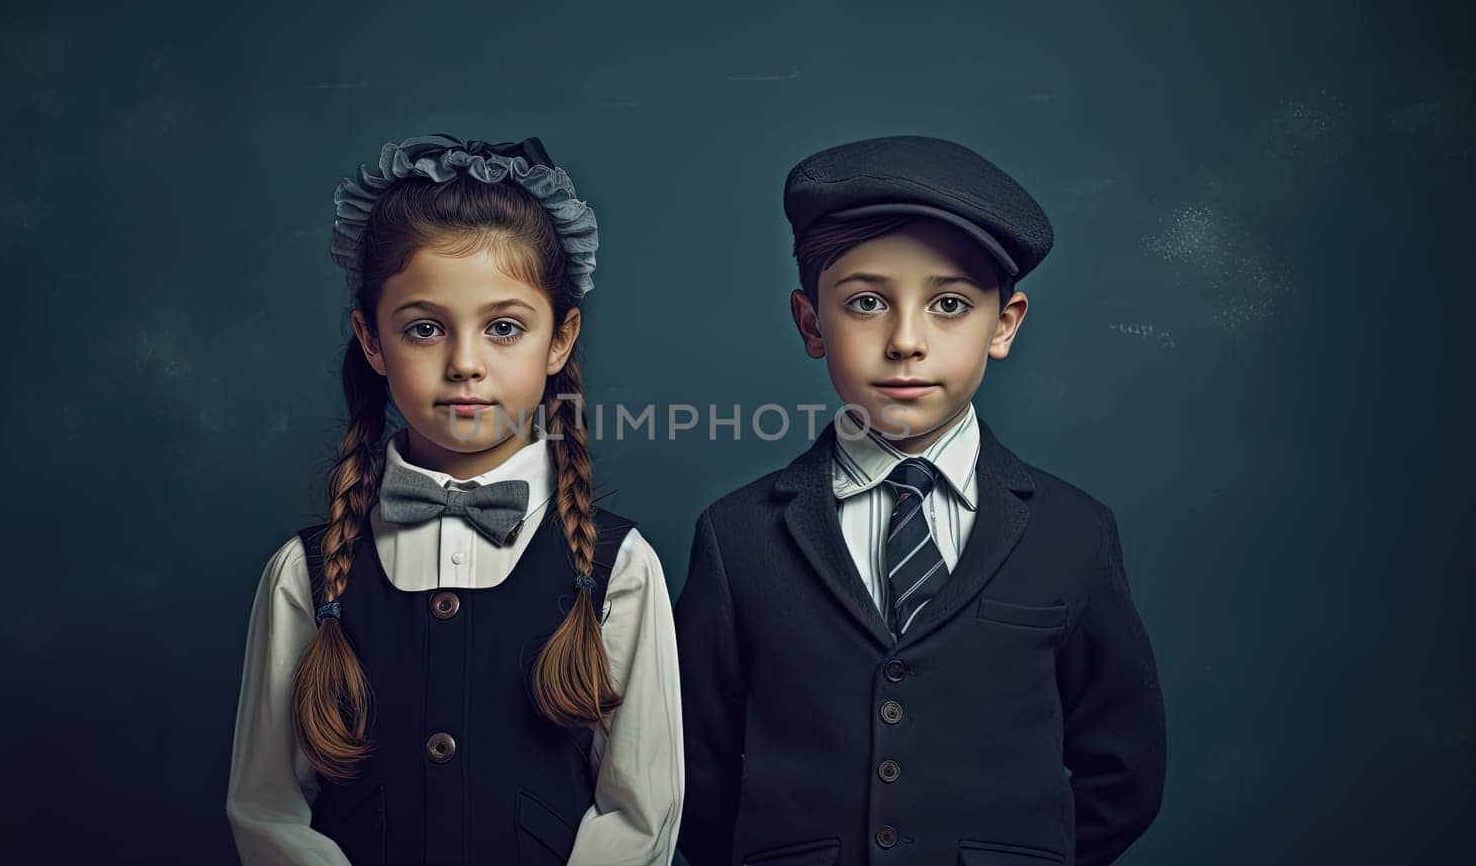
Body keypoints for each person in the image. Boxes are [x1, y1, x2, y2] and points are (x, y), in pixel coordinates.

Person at [676, 135, 1166, 866]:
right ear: (812, 323)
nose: (906, 341)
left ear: (1005, 324)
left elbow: (1124, 771)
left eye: (949, 304)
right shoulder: (737, 535)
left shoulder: (1074, 531)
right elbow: (692, 772)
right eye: (867, 302)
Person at [227, 134, 683, 866]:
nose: (465, 362)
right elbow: (267, 810)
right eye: (425, 328)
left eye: (504, 327)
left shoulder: (620, 566)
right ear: (372, 341)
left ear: (560, 339)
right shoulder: (301, 574)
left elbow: (640, 815)